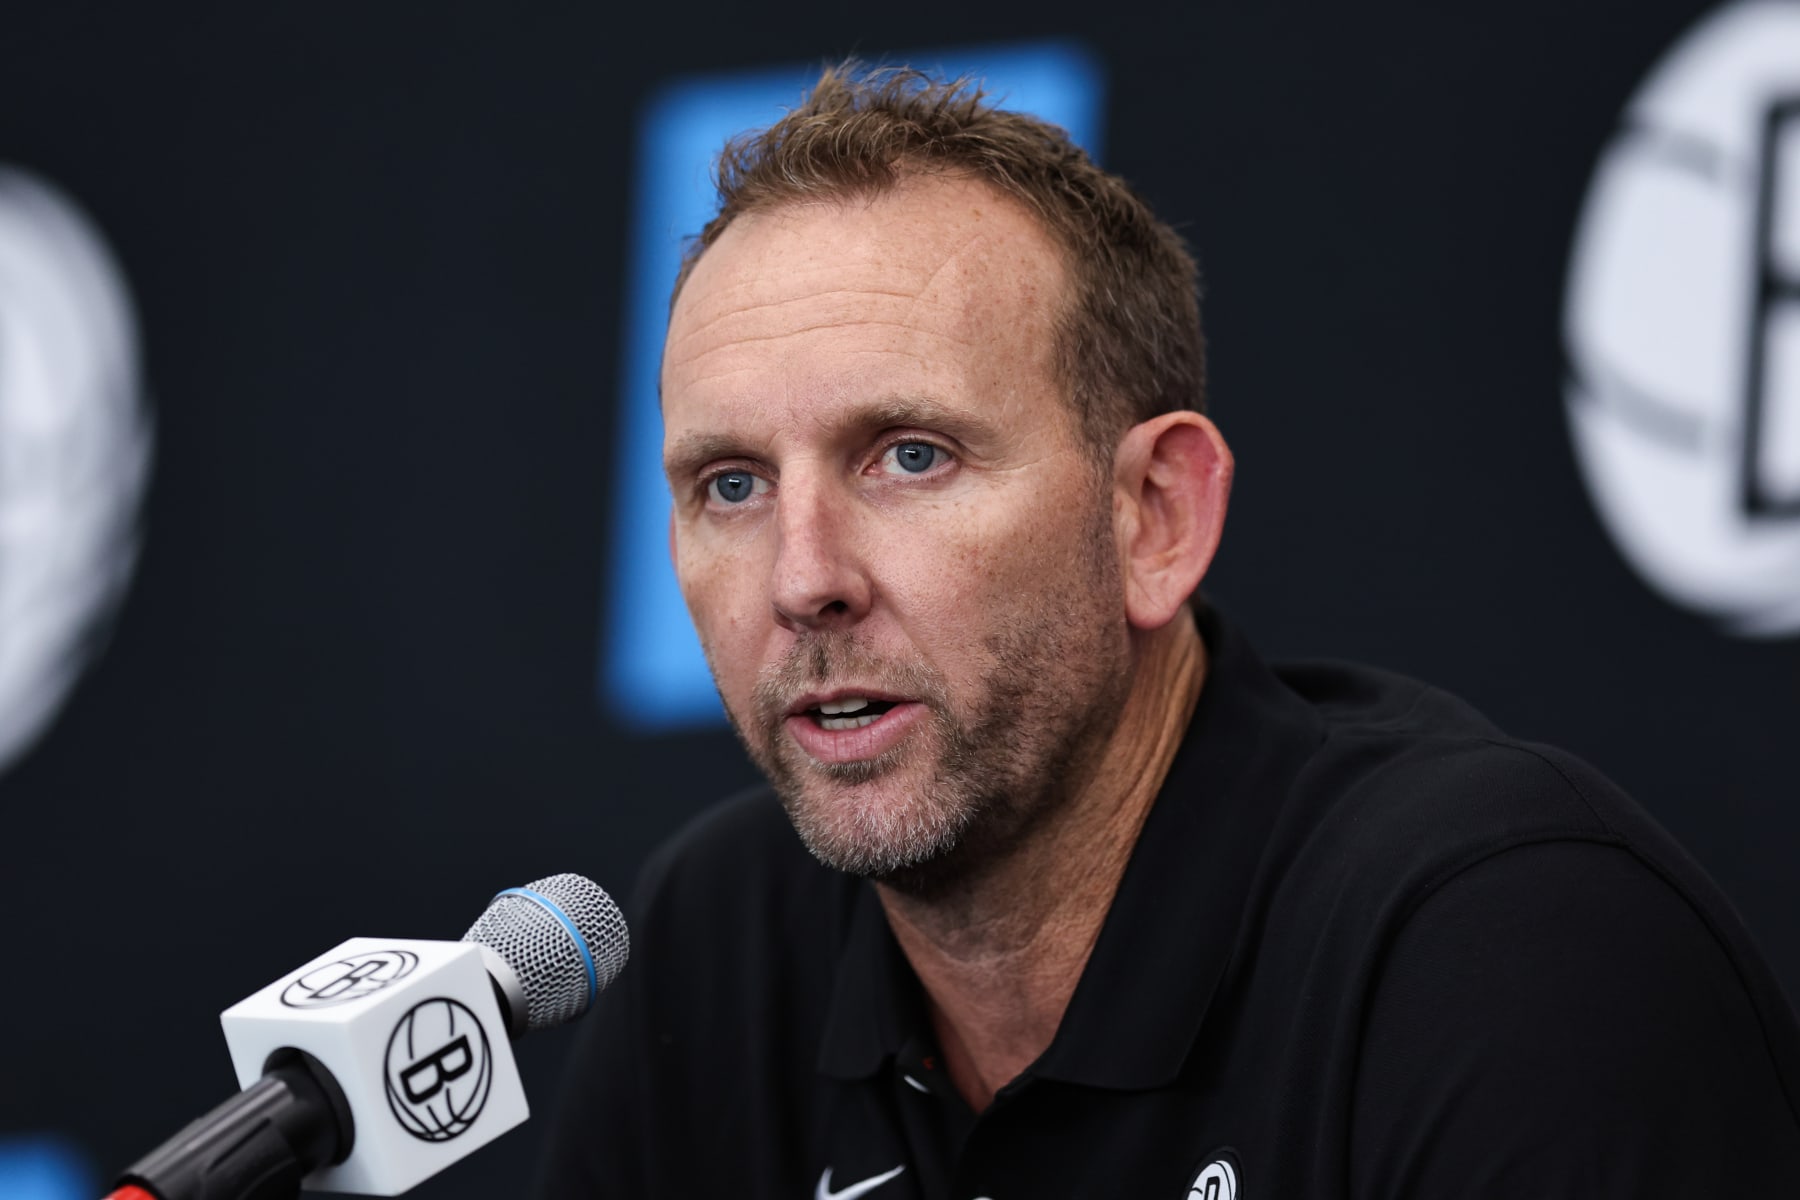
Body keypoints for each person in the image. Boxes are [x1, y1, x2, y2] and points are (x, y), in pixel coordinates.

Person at [539, 65, 1800, 1198]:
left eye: (910, 457)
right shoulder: (720, 942)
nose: (802, 580)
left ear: (1155, 517)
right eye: (732, 486)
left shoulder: (1503, 950)